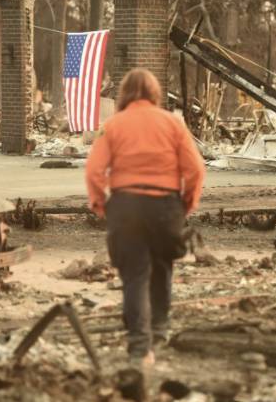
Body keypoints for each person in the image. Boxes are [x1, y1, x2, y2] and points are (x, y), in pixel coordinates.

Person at [85, 68, 205, 366]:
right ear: (155, 94)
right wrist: (186, 204)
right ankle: (159, 331)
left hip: (126, 205)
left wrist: (101, 204)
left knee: (135, 275)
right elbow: (196, 170)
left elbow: (93, 171)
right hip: (164, 206)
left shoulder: (112, 126)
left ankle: (140, 348)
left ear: (124, 93)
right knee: (162, 268)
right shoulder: (173, 123)